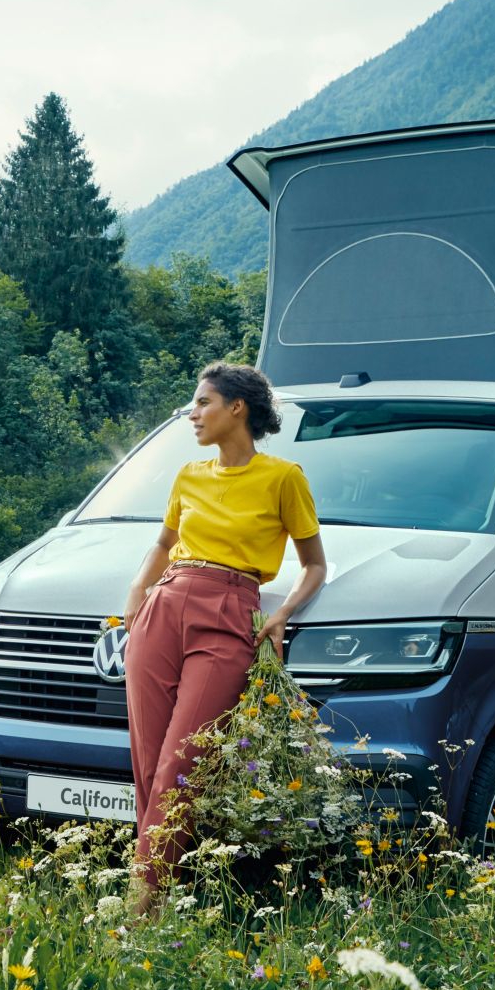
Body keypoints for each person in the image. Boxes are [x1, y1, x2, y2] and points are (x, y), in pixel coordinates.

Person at [119, 361, 327, 917]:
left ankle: (143, 901)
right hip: (163, 606)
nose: (193, 414)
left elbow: (314, 566)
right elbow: (163, 545)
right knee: (146, 760)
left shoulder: (284, 478)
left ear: (238, 408)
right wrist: (136, 595)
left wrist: (281, 614)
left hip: (230, 608)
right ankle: (162, 890)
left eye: (202, 403)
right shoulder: (189, 475)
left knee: (183, 761)